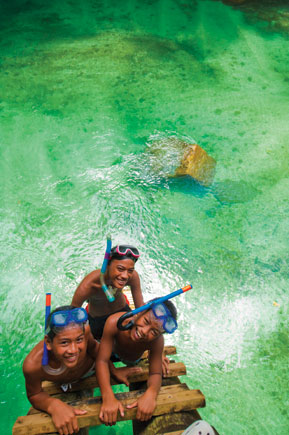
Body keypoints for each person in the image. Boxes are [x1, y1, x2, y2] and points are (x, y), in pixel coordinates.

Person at [22, 305, 140, 435]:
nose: (73, 350)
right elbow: (34, 394)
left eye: (79, 340)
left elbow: (96, 350)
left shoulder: (86, 331)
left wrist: (113, 370)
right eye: (64, 342)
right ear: (48, 343)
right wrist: (53, 406)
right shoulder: (33, 365)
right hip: (61, 381)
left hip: (89, 371)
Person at [95, 299, 178, 426]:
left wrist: (151, 393)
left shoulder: (157, 341)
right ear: (140, 311)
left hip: (132, 359)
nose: (145, 331)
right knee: (94, 353)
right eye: (145, 322)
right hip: (110, 352)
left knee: (141, 360)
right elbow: (102, 361)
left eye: (154, 332)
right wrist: (108, 397)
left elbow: (155, 373)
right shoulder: (115, 322)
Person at [71, 244, 144, 340]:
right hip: (98, 321)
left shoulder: (132, 277)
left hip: (122, 313)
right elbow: (72, 315)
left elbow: (140, 309)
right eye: (120, 269)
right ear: (107, 265)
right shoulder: (89, 285)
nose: (125, 276)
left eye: (130, 270)